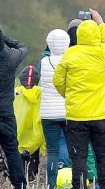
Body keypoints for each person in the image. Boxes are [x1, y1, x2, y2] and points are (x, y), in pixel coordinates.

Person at [53, 9, 105, 189]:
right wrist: (101, 23)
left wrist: (69, 94)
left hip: (77, 116)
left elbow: (58, 80)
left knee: (78, 158)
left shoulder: (70, 55)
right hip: (102, 115)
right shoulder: (104, 54)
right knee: (104, 157)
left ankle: (79, 186)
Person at [0, 23, 28, 189]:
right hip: (6, 112)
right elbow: (22, 47)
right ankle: (20, 185)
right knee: (12, 151)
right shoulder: (11, 57)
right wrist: (4, 38)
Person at [39, 29, 71, 189]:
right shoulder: (71, 61)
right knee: (73, 149)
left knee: (52, 151)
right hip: (68, 112)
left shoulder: (44, 62)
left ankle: (52, 184)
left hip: (48, 113)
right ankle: (71, 181)